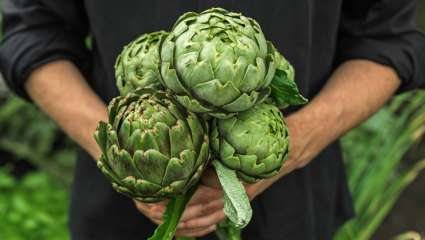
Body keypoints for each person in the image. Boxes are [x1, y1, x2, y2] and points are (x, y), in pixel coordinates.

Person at [0, 1, 423, 239]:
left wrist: (294, 142)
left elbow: (387, 39)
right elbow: (32, 33)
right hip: (117, 220)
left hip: (294, 216)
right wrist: (128, 153)